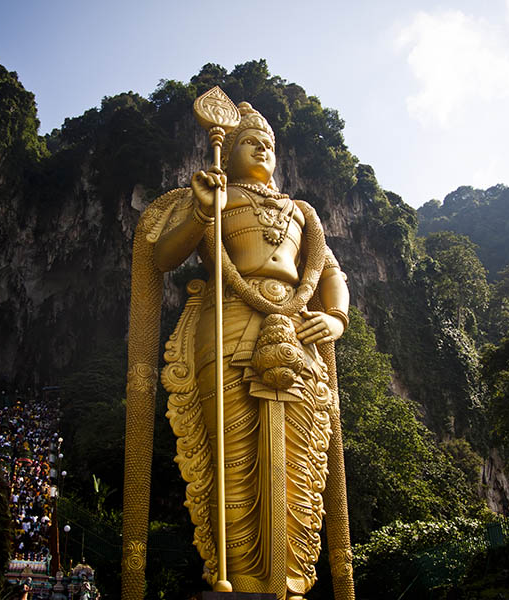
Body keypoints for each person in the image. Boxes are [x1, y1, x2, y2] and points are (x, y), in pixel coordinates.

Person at [145, 101, 350, 599]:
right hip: (229, 326)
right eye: (250, 141)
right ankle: (239, 583)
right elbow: (160, 256)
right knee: (232, 459)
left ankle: (293, 584)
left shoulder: (301, 212)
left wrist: (336, 318)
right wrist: (199, 210)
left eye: (270, 145)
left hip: (298, 333)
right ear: (228, 150)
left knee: (299, 463)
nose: (263, 149)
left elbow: (331, 274)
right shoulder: (212, 199)